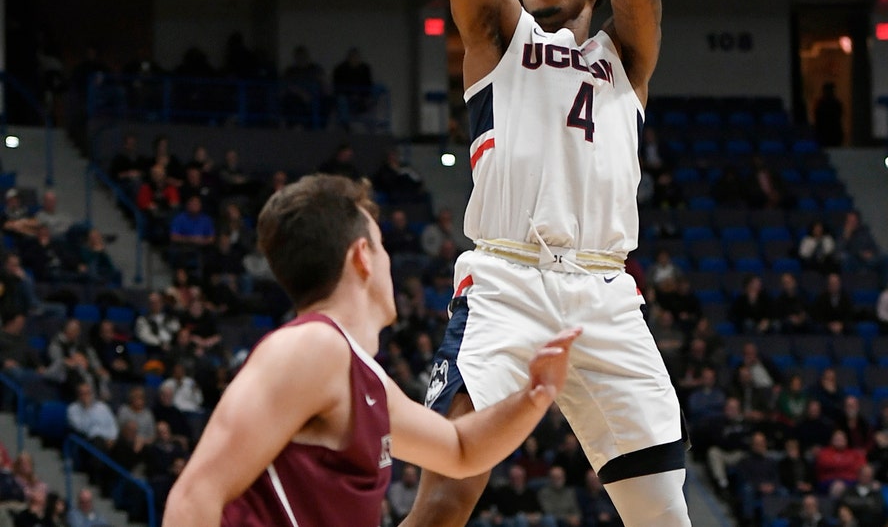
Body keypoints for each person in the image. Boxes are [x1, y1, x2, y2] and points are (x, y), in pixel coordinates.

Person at [403, 0, 689, 525]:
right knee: (445, 498)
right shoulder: (500, 34)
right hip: (508, 280)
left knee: (662, 512)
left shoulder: (626, 57)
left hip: (606, 289)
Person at [162, 175, 581, 525]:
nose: (389, 263)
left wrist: (534, 395)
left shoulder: (357, 374)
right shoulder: (312, 347)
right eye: (381, 246)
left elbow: (459, 449)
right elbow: (192, 498)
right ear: (363, 255)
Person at [814, 81, 844, 147]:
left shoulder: (836, 103)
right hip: (824, 134)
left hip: (834, 133)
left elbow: (838, 116)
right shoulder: (821, 104)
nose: (829, 92)